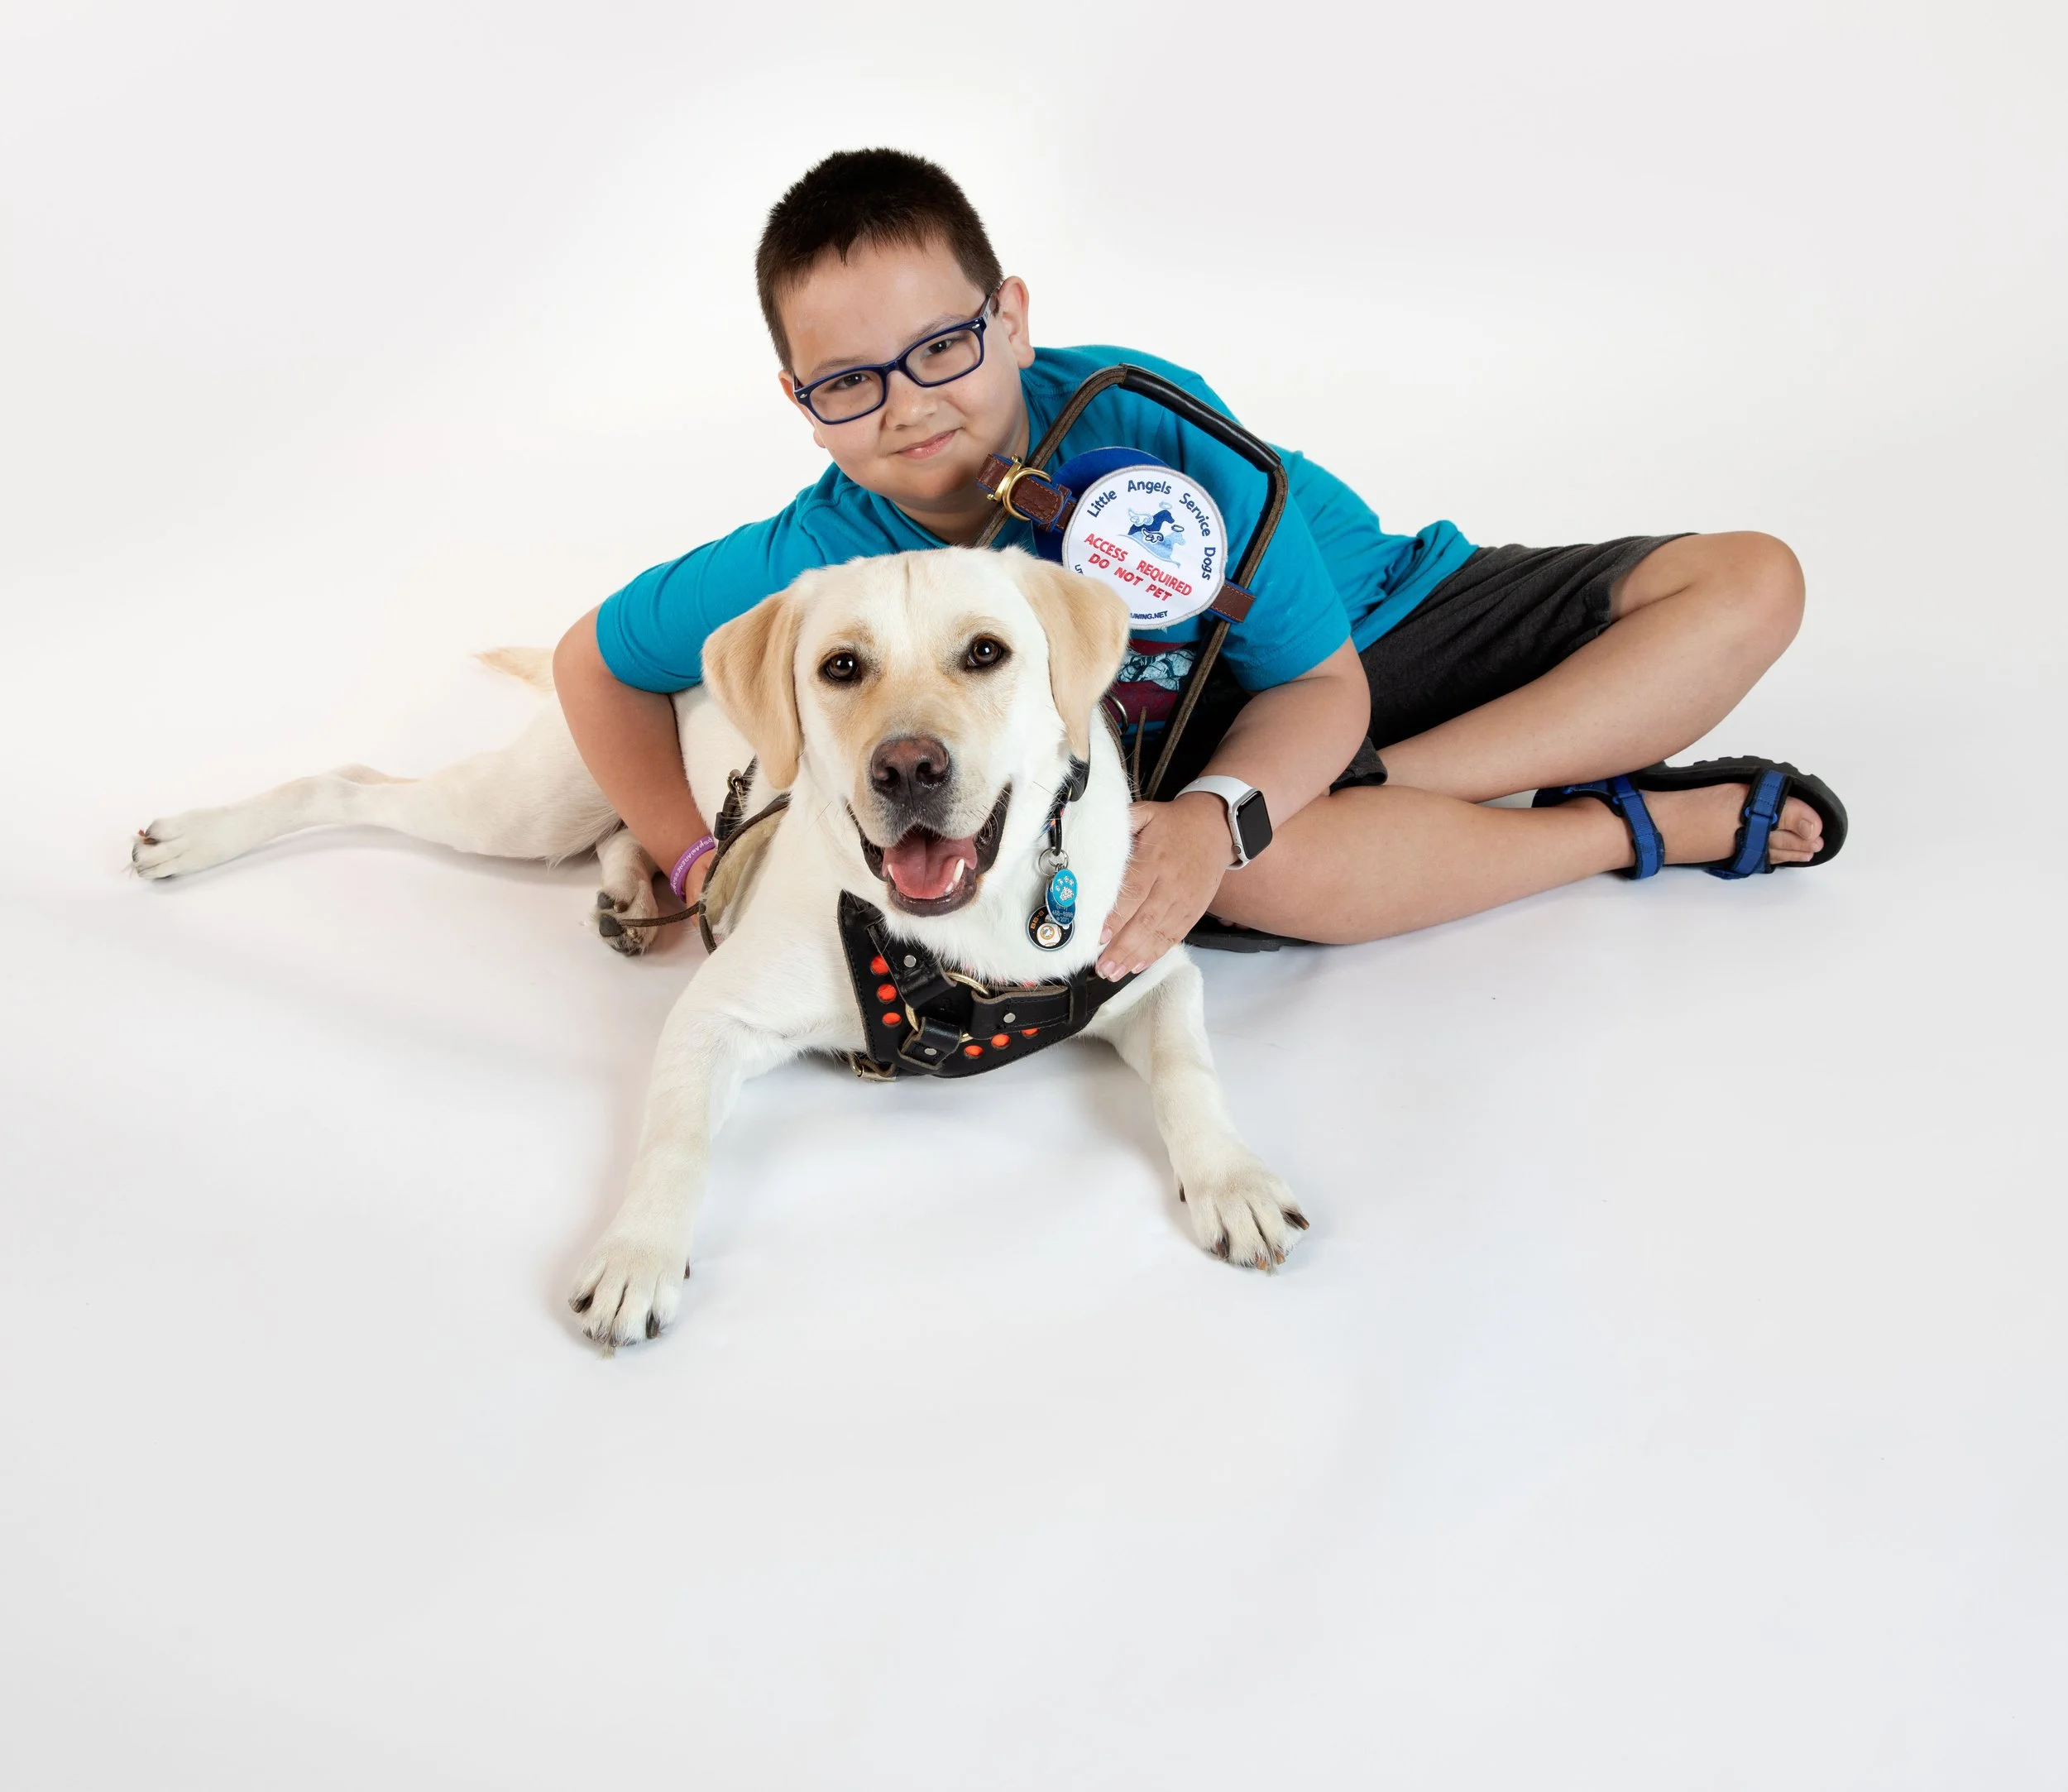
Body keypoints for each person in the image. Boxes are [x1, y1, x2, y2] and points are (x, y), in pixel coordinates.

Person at [553, 149, 1843, 980]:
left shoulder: (1143, 421)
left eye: (943, 346)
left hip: (1376, 630)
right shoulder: (820, 554)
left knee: (1750, 582)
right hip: (1210, 735)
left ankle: (1400, 792)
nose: (905, 405)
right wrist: (693, 862)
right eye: (850, 382)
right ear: (799, 399)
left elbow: (1323, 686)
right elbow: (593, 662)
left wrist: (1267, 793)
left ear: (1010, 315)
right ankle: (1619, 832)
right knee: (1251, 859)